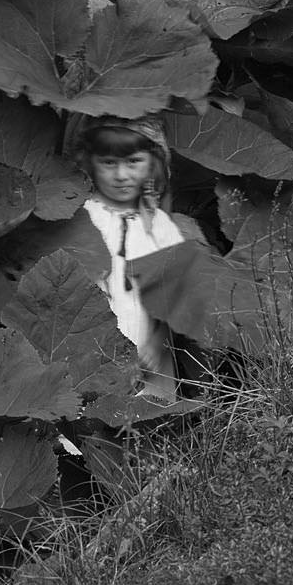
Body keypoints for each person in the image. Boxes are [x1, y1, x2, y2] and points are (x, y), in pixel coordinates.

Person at [63, 114, 187, 403]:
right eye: (109, 163)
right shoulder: (82, 218)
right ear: (89, 162)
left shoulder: (159, 226)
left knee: (150, 416)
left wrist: (158, 342)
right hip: (97, 343)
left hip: (149, 346)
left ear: (153, 163)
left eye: (133, 162)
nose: (121, 175)